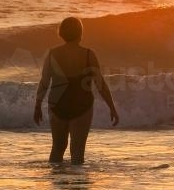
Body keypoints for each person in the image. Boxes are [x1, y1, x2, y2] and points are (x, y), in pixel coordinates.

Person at [34, 17, 119, 164]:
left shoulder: (52, 54)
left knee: (57, 148)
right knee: (77, 151)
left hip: (57, 104)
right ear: (80, 33)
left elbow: (44, 82)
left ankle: (57, 183)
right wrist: (111, 107)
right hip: (82, 105)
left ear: (61, 33)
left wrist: (37, 105)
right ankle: (78, 186)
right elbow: (100, 84)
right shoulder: (88, 54)